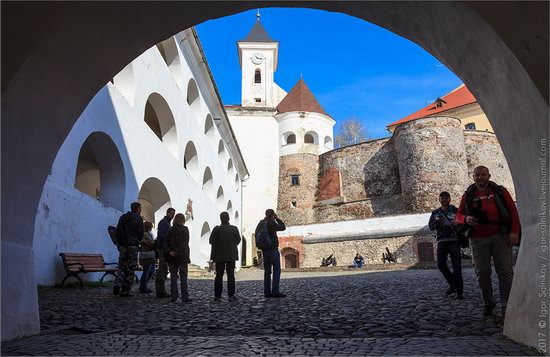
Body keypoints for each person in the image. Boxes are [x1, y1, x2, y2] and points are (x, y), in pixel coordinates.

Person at [457, 166, 520, 317]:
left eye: (483, 174)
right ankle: (488, 302)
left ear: (489, 176)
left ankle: (507, 305)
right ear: (473, 177)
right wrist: (466, 219)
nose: (480, 177)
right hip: (477, 238)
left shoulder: (500, 191)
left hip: (500, 236)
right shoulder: (469, 194)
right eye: (477, 175)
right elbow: (458, 214)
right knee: (482, 272)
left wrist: (514, 232)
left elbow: (513, 212)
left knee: (505, 272)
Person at [428, 191, 464, 299]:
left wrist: (457, 223)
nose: (444, 200)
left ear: (450, 199)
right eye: (442, 198)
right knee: (441, 265)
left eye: (446, 198)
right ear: (439, 200)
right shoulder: (435, 213)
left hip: (454, 240)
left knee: (456, 267)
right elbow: (431, 227)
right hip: (442, 241)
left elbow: (462, 223)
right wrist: (436, 222)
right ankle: (453, 284)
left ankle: (459, 290)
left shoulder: (456, 211)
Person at [209, 211, 241, 302]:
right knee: (231, 275)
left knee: (219, 276)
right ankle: (231, 295)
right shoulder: (234, 229)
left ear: (221, 219)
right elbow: (238, 240)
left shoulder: (217, 229)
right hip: (231, 255)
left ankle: (217, 296)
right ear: (228, 218)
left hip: (219, 255)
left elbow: (211, 241)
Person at [113, 202, 144, 297]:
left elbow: (117, 231)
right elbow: (140, 233)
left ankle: (117, 284)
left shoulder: (123, 217)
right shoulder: (138, 218)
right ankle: (125, 291)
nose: (141, 210)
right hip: (132, 246)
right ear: (138, 208)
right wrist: (138, 241)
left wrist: (119, 244)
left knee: (121, 266)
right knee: (130, 269)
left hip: (123, 246)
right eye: (140, 208)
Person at [255, 209, 286, 298]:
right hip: (272, 249)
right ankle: (275, 291)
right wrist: (277, 219)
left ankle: (267, 291)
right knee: (276, 270)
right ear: (272, 215)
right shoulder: (271, 223)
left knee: (267, 272)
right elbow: (283, 227)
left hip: (265, 250)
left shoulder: (261, 223)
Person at [164, 213, 192, 303]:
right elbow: (185, 243)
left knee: (173, 276)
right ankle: (184, 297)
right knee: (183, 276)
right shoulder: (185, 230)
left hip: (172, 256)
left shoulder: (170, 230)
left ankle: (174, 296)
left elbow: (166, 242)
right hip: (182, 255)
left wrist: (170, 251)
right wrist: (177, 251)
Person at [155, 207, 175, 298]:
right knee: (162, 270)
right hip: (162, 249)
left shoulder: (167, 223)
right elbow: (161, 235)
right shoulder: (163, 222)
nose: (173, 215)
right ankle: (160, 291)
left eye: (174, 214)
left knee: (163, 270)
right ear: (167, 213)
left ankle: (161, 290)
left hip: (165, 249)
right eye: (171, 213)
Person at [138, 221, 156, 293]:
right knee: (146, 271)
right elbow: (151, 243)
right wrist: (156, 242)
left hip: (150, 254)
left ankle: (143, 285)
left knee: (151, 271)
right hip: (146, 255)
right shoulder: (144, 234)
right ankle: (143, 287)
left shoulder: (148, 233)